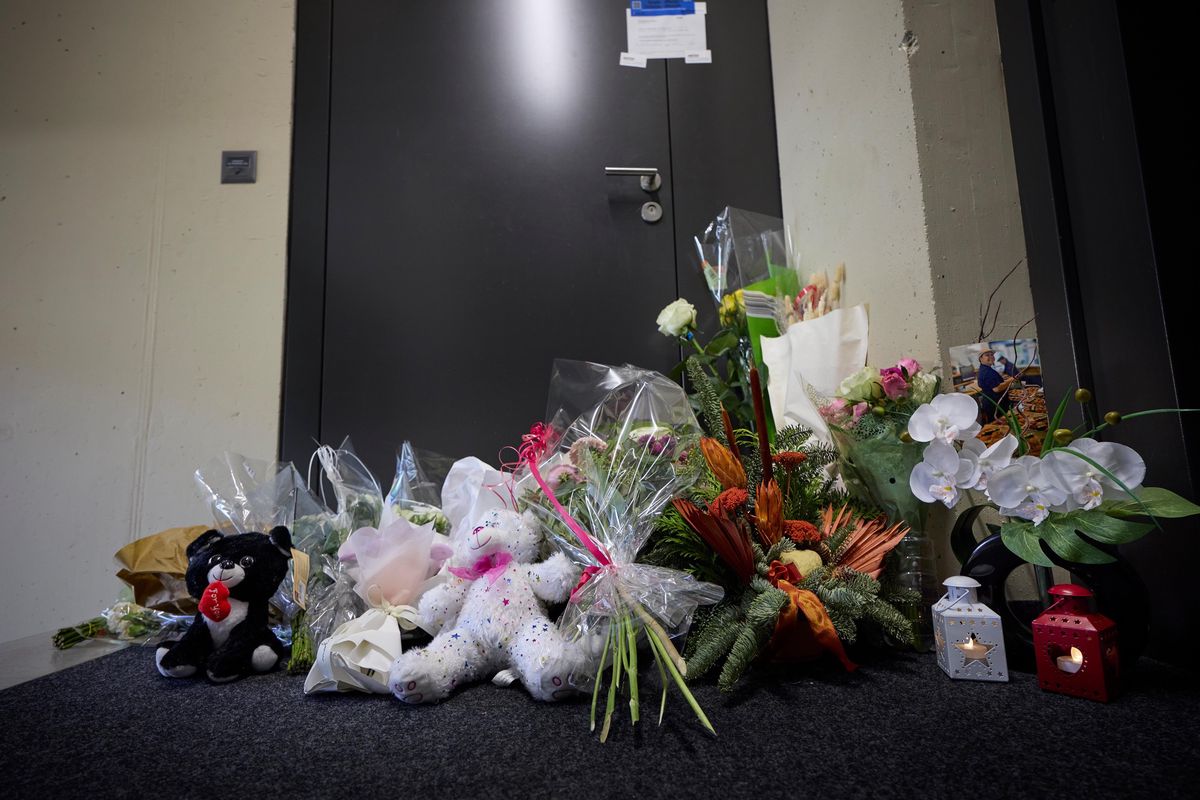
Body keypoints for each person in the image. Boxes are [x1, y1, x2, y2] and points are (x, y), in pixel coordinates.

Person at [975, 349, 1014, 421]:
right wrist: (1011, 379)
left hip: (995, 404)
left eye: (992, 354)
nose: (991, 356)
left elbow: (992, 383)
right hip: (995, 407)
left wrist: (1001, 379)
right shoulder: (986, 372)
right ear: (980, 358)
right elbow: (997, 388)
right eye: (987, 355)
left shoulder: (986, 369)